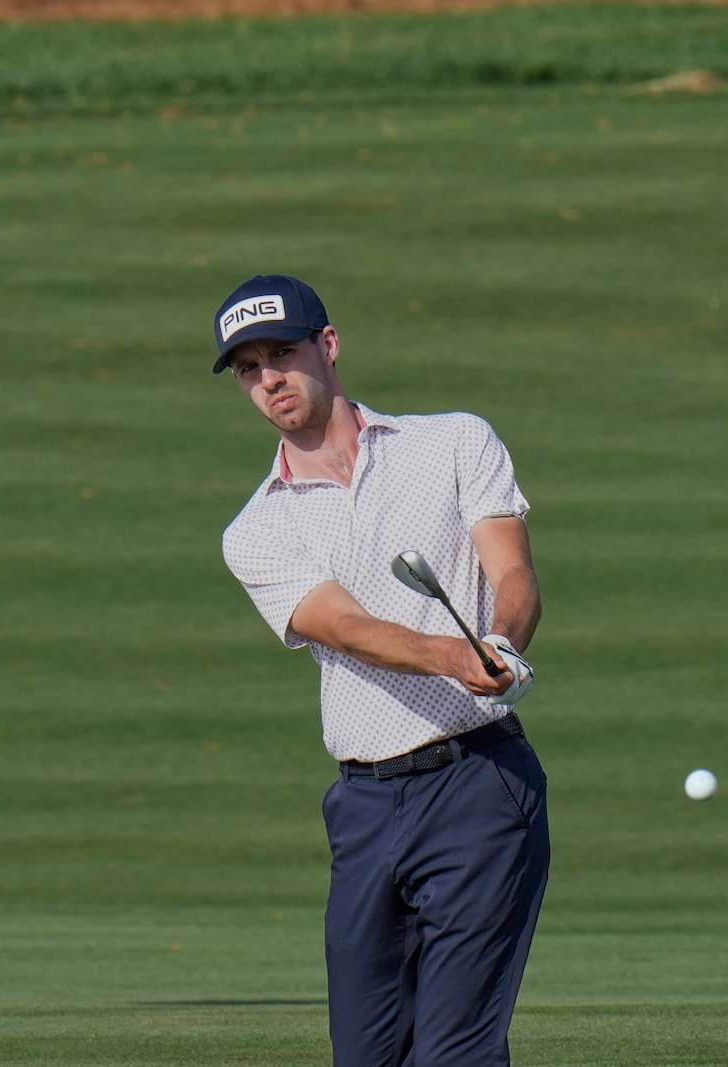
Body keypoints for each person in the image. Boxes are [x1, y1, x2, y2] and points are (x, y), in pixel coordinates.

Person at [213, 274, 549, 1067]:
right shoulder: (256, 528)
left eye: (282, 354)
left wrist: (499, 641)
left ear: (327, 347)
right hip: (364, 808)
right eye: (249, 368)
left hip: (478, 786)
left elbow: (514, 575)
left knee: (454, 1053)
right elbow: (348, 628)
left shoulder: (455, 442)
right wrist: (450, 656)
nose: (269, 380)